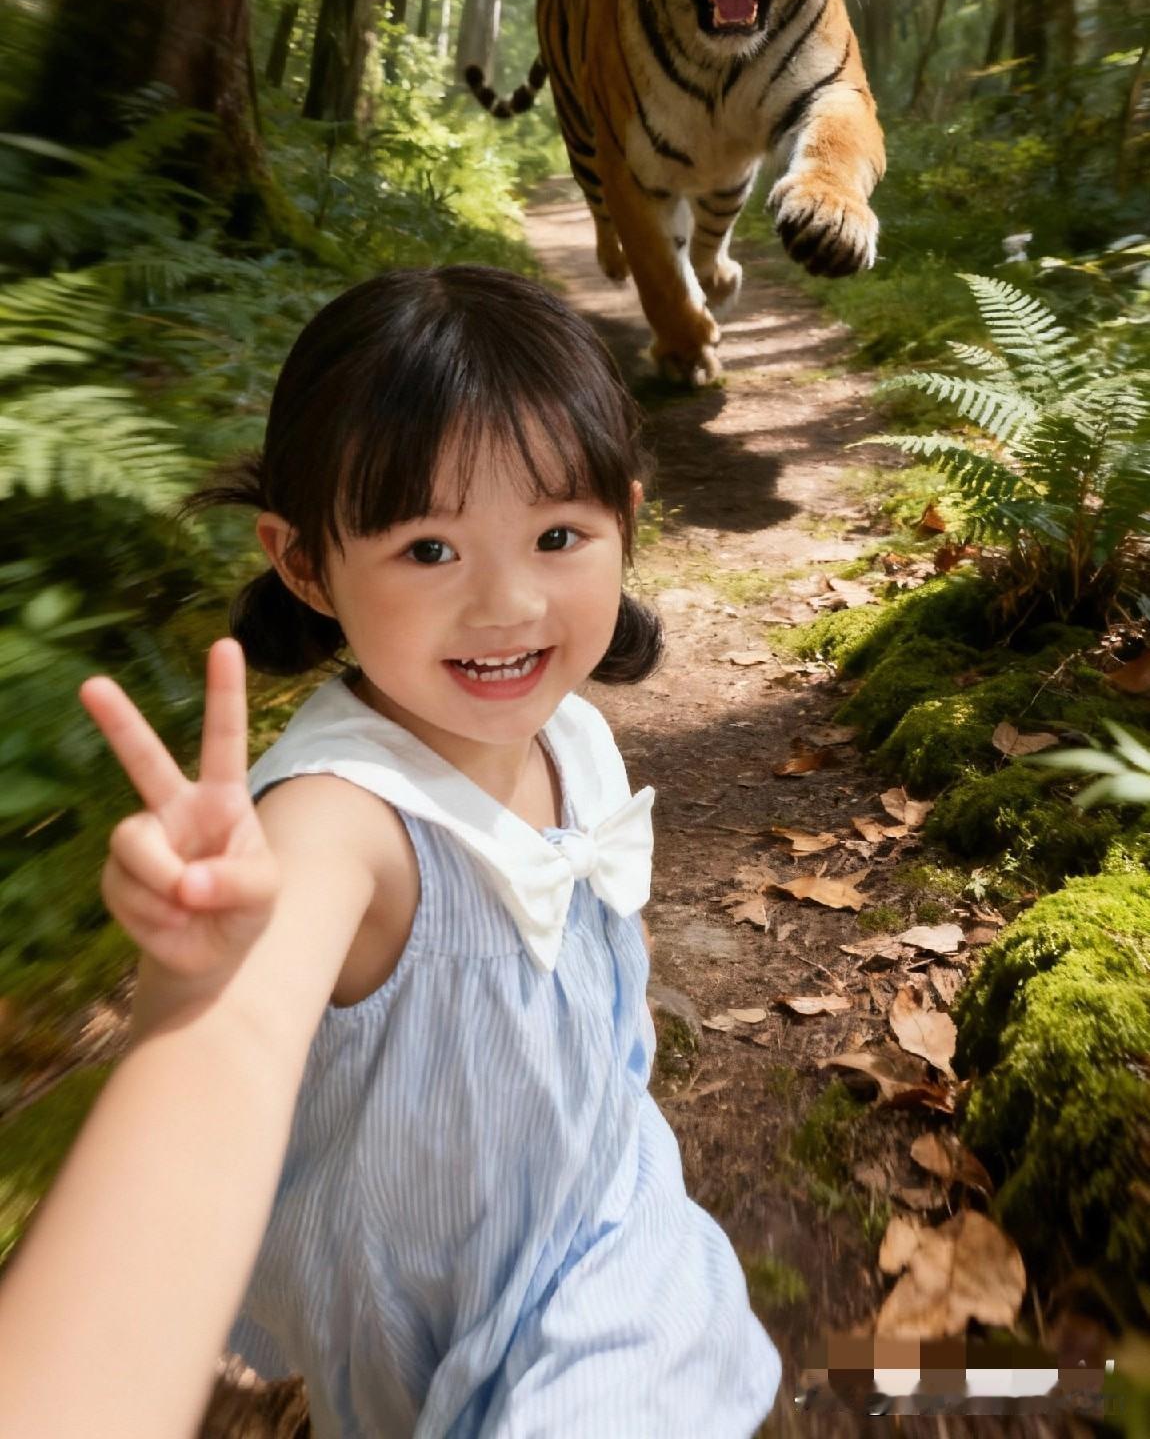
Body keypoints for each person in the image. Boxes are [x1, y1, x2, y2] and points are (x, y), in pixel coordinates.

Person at [0, 266, 782, 1438]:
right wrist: (193, 988)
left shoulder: (568, 729)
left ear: (625, 519)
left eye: (557, 535)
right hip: (437, 1322)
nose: (507, 603)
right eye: (427, 549)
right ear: (303, 563)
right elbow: (226, 1053)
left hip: (609, 1216)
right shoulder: (337, 824)